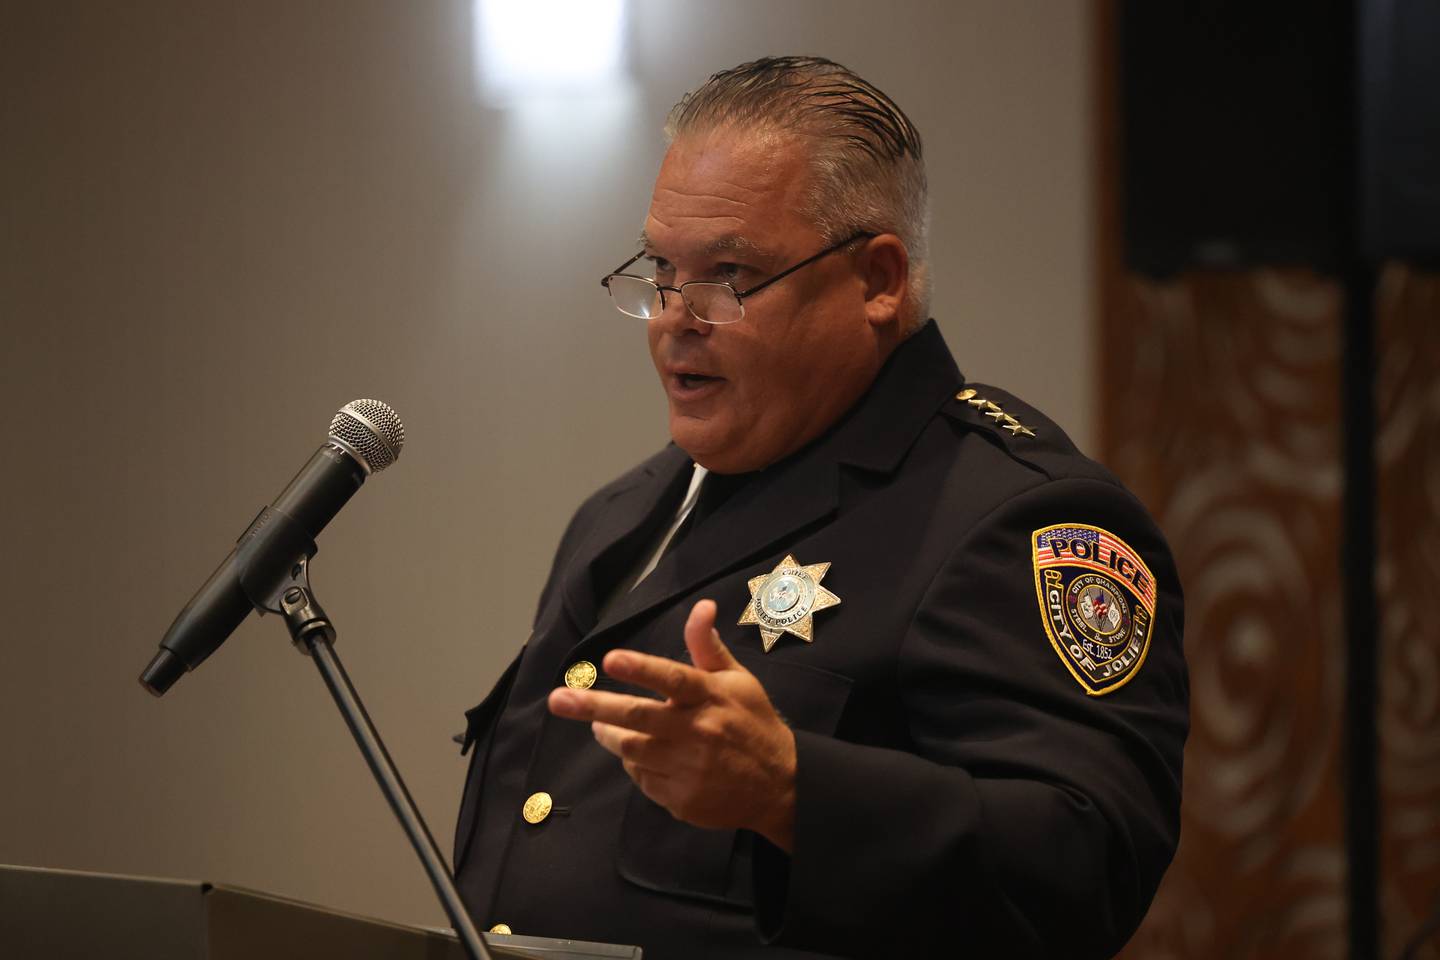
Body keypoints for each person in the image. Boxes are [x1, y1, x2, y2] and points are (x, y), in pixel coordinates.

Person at [452, 56, 1188, 960]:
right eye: (660, 269)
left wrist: (792, 791)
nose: (674, 317)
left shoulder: (1013, 517)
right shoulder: (619, 516)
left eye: (729, 273)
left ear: (878, 280)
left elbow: (1090, 862)